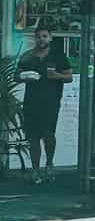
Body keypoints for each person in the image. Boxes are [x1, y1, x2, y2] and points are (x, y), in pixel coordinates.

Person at [18, 26, 72, 184]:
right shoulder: (27, 57)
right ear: (35, 39)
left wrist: (57, 76)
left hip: (51, 103)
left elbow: (69, 77)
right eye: (38, 37)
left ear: (50, 37)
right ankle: (35, 170)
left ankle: (49, 164)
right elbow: (17, 75)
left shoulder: (58, 56)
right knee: (33, 137)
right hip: (31, 103)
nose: (41, 39)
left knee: (48, 135)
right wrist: (24, 77)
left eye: (44, 36)